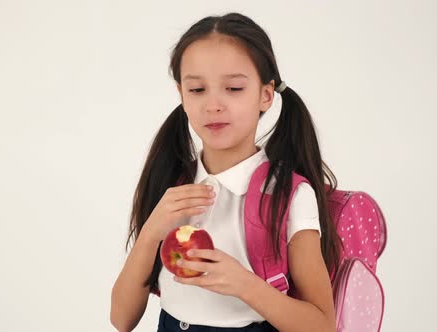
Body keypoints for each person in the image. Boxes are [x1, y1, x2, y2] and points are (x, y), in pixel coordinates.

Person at [111, 12, 341, 332]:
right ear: (181, 95)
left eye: (233, 88)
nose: (214, 104)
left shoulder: (289, 196)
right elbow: (121, 320)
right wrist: (151, 231)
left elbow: (322, 326)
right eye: (197, 90)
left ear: (265, 95)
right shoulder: (171, 185)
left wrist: (244, 284)